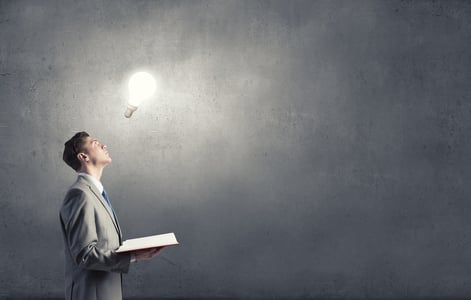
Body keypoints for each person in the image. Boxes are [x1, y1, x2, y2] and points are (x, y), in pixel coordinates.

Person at [60, 131, 162, 300]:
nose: (103, 145)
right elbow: (85, 256)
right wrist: (132, 256)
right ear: (83, 156)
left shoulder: (96, 193)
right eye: (95, 143)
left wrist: (133, 253)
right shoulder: (79, 194)